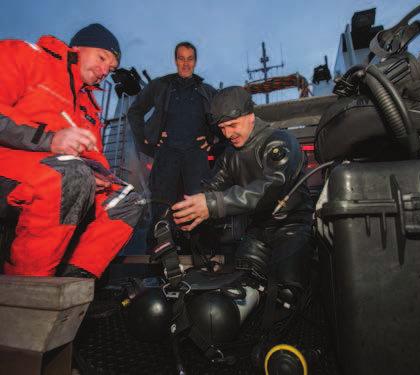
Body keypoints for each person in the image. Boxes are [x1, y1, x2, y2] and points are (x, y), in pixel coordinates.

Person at [0, 23, 144, 278]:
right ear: (78, 47)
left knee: (127, 199)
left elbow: (94, 154)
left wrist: (102, 176)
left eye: (110, 69)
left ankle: (72, 284)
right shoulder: (26, 56)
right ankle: (29, 289)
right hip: (11, 164)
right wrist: (48, 140)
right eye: (101, 58)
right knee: (71, 175)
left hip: (61, 174)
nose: (103, 71)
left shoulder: (90, 107)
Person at [172, 86, 314, 288]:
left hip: (292, 226)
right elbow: (212, 187)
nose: (228, 134)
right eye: (222, 128)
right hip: (256, 231)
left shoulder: (280, 141)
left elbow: (273, 185)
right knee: (242, 288)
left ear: (250, 116)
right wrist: (187, 212)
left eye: (232, 125)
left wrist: (213, 204)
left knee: (289, 293)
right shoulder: (230, 155)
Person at [127, 41, 217, 243]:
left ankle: (203, 267)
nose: (185, 64)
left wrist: (214, 139)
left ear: (195, 61)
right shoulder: (160, 86)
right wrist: (148, 143)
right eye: (181, 58)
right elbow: (135, 112)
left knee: (198, 212)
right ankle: (157, 268)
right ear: (175, 60)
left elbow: (226, 116)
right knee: (161, 212)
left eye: (190, 59)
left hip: (196, 162)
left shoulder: (207, 91)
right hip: (166, 158)